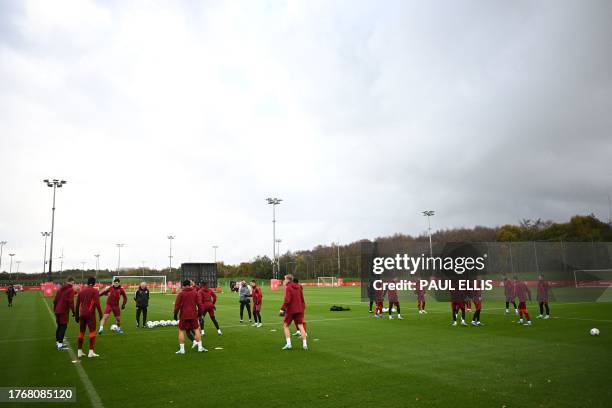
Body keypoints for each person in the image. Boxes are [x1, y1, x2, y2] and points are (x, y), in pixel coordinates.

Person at [173, 280, 206, 354]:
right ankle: (200, 347)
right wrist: (200, 313)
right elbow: (199, 304)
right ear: (190, 285)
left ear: (183, 286)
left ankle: (182, 350)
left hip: (184, 315)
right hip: (193, 314)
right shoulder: (195, 292)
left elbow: (177, 306)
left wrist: (175, 314)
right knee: (196, 330)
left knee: (181, 331)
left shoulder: (181, 293)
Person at [75, 277, 103, 358]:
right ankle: (91, 352)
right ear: (94, 283)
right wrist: (100, 314)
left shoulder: (81, 291)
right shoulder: (95, 291)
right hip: (90, 314)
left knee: (81, 332)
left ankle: (79, 351)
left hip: (82, 314)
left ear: (87, 283)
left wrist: (77, 316)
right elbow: (97, 304)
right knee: (92, 332)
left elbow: (77, 305)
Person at [280, 274, 307, 350]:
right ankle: (305, 344)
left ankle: (289, 344)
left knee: (285, 325)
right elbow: (302, 298)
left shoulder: (288, 287)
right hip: (299, 309)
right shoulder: (298, 286)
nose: (284, 280)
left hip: (291, 310)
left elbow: (287, 300)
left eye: (284, 279)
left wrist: (282, 309)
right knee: (300, 326)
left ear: (288, 280)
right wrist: (303, 307)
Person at [53, 277, 76, 350]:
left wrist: (55, 309)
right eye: (73, 282)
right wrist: (74, 312)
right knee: (63, 327)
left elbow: (55, 300)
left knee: (59, 326)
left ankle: (58, 342)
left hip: (57, 310)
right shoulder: (70, 290)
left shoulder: (60, 289)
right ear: (72, 282)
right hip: (63, 311)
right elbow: (71, 302)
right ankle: (60, 345)